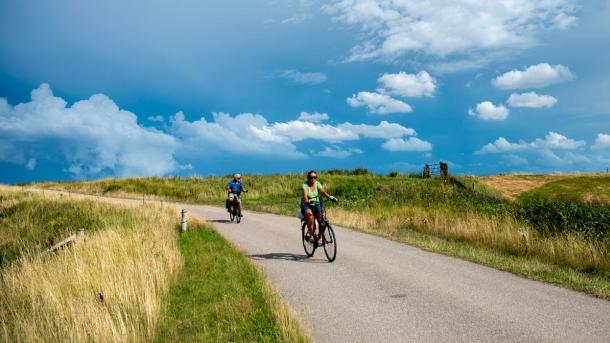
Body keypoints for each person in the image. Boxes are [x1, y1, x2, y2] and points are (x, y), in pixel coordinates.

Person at [301, 170, 336, 246]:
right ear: (308, 178)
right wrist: (307, 200)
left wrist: (330, 197)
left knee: (322, 220)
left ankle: (319, 238)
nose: (313, 179)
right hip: (306, 205)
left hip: (316, 204)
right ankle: (311, 236)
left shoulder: (317, 183)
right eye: (311, 177)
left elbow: (323, 192)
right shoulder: (305, 185)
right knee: (310, 216)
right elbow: (305, 195)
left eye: (315, 177)